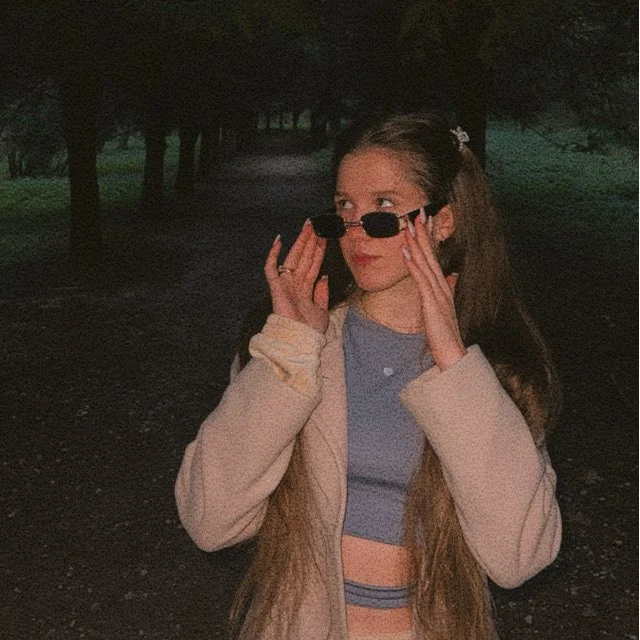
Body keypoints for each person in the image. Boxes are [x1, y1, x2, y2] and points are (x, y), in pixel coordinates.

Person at [175, 112, 562, 640]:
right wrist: (289, 351)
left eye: (383, 207)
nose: (356, 232)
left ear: (443, 222)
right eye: (344, 208)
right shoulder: (297, 346)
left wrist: (454, 364)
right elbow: (209, 519)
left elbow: (519, 557)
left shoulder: (492, 371)